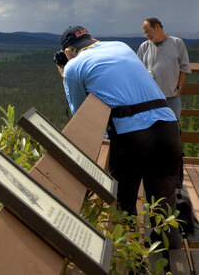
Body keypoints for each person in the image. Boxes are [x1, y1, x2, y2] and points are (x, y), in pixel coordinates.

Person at [54, 25, 183, 249]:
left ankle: (132, 260)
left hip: (131, 138)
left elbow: (80, 113)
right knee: (164, 206)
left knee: (125, 207)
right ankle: (171, 253)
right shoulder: (121, 46)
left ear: (68, 52)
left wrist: (64, 73)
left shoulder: (73, 66)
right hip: (167, 126)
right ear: (92, 39)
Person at [137, 17, 191, 120]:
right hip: (151, 98)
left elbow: (184, 68)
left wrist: (179, 88)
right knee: (153, 130)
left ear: (157, 27)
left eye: (148, 31)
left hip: (172, 97)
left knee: (174, 128)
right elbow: (138, 72)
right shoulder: (144, 47)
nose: (146, 35)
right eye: (145, 33)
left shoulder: (177, 43)